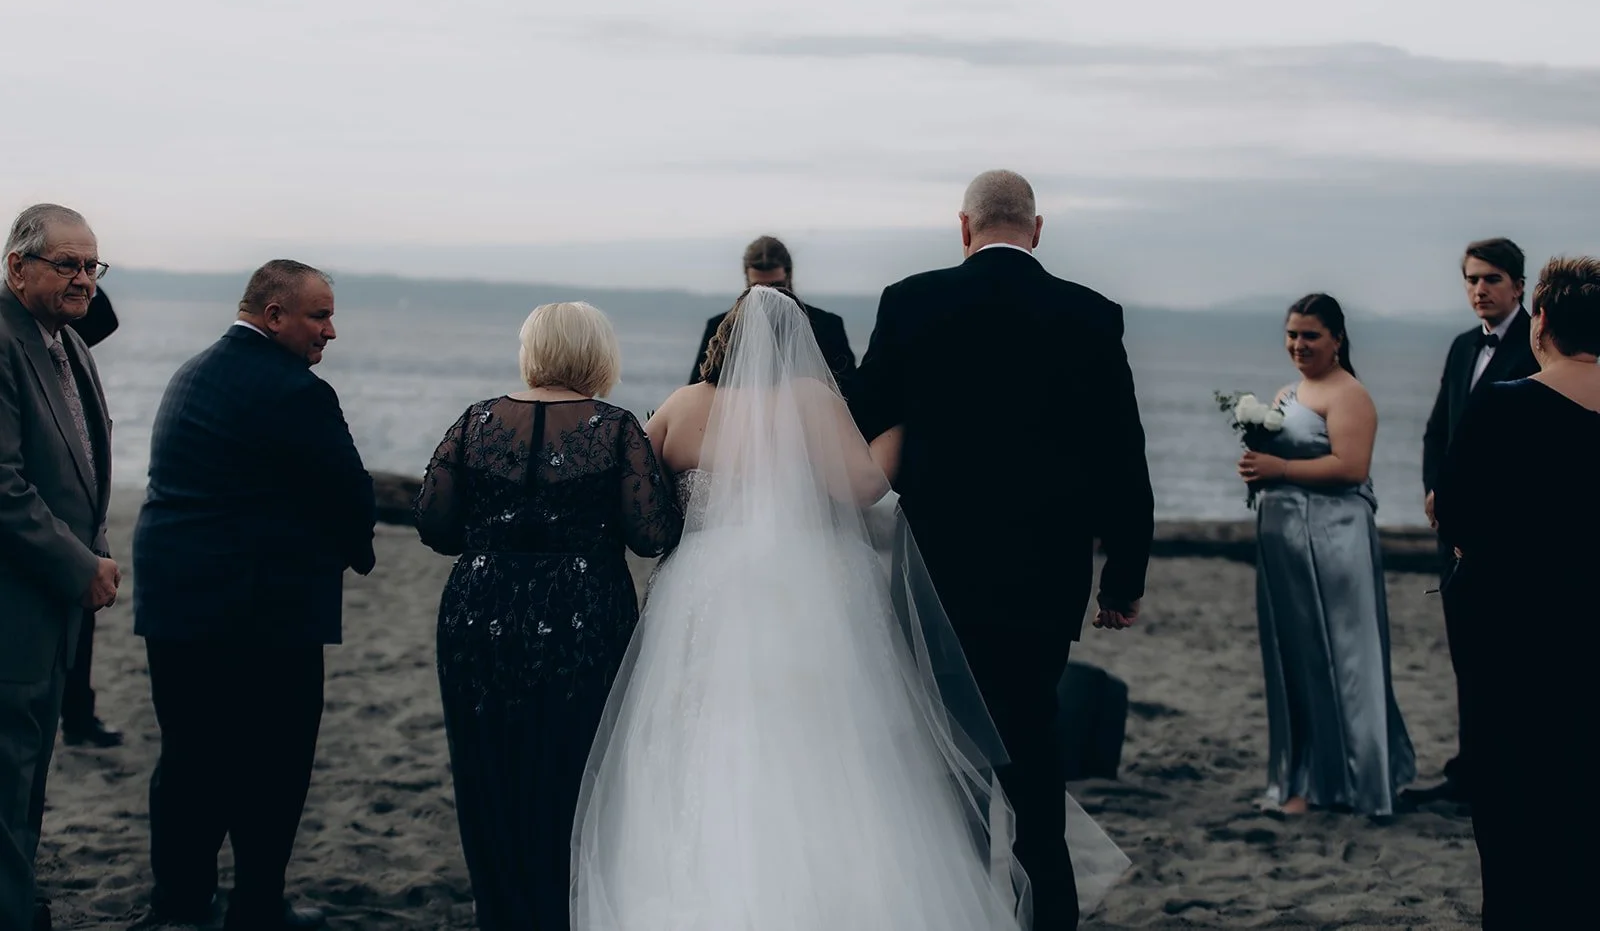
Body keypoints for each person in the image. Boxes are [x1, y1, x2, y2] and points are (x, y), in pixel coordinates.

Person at [574, 284, 1130, 931]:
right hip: (805, 583)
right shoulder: (811, 400)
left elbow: (635, 492)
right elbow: (865, 484)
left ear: (722, 340)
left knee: (705, 734)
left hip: (704, 588)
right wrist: (904, 422)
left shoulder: (683, 404)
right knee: (824, 739)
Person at [846, 170, 1152, 930]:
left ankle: (957, 907)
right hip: (1044, 576)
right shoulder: (1090, 314)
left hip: (936, 570)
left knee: (948, 745)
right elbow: (1123, 456)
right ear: (1037, 229)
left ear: (963, 227)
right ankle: (1048, 910)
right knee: (1030, 734)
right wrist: (1124, 574)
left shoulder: (911, 301)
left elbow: (863, 413)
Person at [415, 302, 680, 931]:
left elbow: (433, 523)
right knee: (574, 767)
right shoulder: (616, 429)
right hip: (583, 614)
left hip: (479, 613)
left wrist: (493, 541)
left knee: (488, 769)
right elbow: (652, 534)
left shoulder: (474, 421)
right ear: (598, 354)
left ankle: (500, 912)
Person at [132, 260, 376, 931]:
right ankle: (255, 906)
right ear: (273, 315)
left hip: (177, 602)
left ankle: (178, 905)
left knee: (188, 760)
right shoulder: (294, 390)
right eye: (318, 316)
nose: (331, 331)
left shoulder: (192, 372)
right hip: (263, 612)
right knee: (273, 766)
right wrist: (359, 551)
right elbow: (347, 489)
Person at [1434, 256, 1600, 930]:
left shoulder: (1504, 405)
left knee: (1517, 805)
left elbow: (1457, 515)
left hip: (1516, 641)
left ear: (1540, 323)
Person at [1236, 294, 1415, 818]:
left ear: (1337, 338)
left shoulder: (1350, 395)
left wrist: (1279, 470)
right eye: (1292, 334)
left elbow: (1351, 468)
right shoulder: (1288, 392)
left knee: (1345, 657)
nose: (1298, 345)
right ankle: (1305, 779)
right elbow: (1281, 454)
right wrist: (1256, 468)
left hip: (1337, 542)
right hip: (1288, 543)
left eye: (1310, 335)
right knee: (1297, 659)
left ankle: (1352, 782)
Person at [0, 205, 120, 931]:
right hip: (14, 601)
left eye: (92, 266)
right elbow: (3, 484)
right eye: (67, 265)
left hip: (56, 608)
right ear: (17, 267)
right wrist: (79, 562)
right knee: (7, 775)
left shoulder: (66, 341)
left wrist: (94, 548)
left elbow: (81, 461)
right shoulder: (4, 342)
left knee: (30, 775)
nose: (83, 280)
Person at [1411, 238, 1538, 809]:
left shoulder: (1538, 348)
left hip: (1508, 538)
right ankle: (1469, 773)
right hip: (1453, 536)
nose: (1479, 289)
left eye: (1490, 279)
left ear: (1517, 285)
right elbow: (1440, 430)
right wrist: (1435, 490)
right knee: (1467, 656)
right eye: (1470, 279)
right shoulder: (1463, 346)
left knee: (1510, 661)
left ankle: (1508, 775)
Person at [60, 287, 122, 750]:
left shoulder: (68, 346)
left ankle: (79, 716)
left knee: (82, 617)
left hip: (79, 512)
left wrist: (76, 272)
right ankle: (78, 716)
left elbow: (104, 318)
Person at [686, 235, 855, 389]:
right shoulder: (718, 326)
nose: (768, 293)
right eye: (758, 287)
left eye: (776, 286)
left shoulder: (828, 325)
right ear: (747, 279)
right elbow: (700, 386)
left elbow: (849, 390)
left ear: (789, 276)